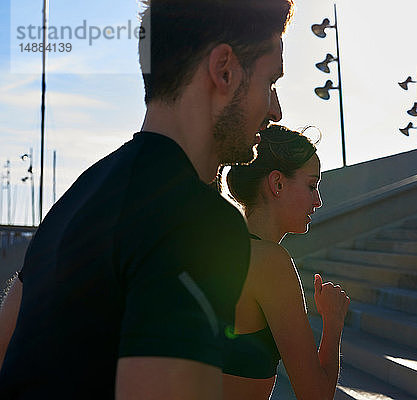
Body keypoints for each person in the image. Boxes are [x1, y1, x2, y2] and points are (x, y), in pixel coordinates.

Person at [0, 0, 295, 398]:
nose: (275, 110)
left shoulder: (78, 197)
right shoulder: (202, 223)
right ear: (224, 70)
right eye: (270, 83)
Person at [221, 124, 350, 400]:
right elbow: (315, 395)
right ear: (277, 184)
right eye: (311, 185)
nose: (318, 201)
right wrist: (334, 321)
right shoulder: (271, 262)